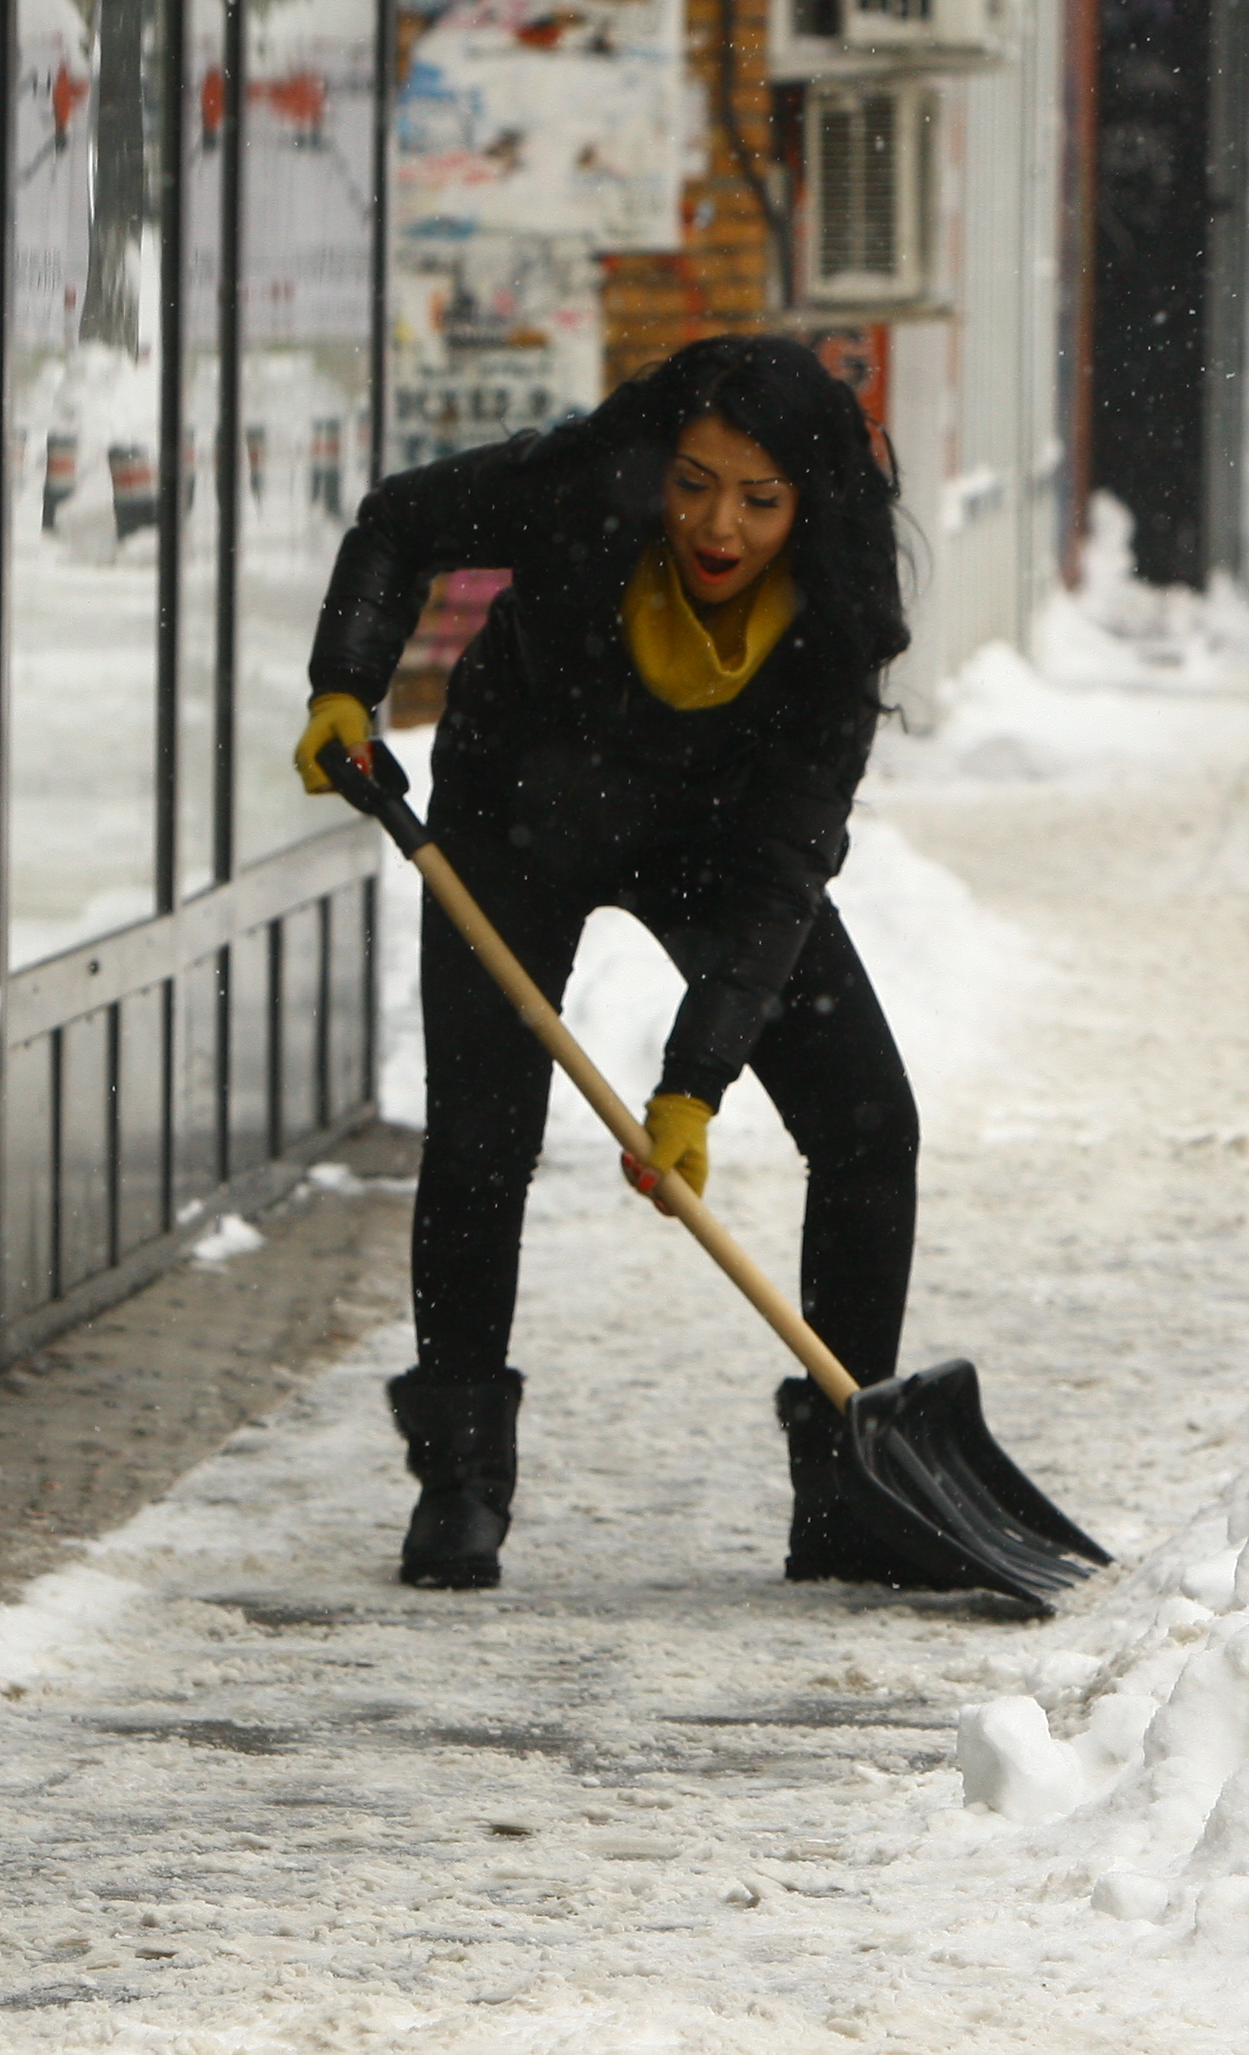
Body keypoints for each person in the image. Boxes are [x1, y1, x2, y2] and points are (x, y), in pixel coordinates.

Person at [292, 335, 985, 1595]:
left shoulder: (837, 616)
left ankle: (844, 1486)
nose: (717, 524)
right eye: (696, 482)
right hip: (518, 814)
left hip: (718, 845)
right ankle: (459, 1481)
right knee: (482, 1131)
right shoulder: (589, 481)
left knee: (869, 1122)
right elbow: (401, 522)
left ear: (811, 506)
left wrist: (694, 1083)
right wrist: (347, 685)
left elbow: (785, 872)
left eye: (759, 499)